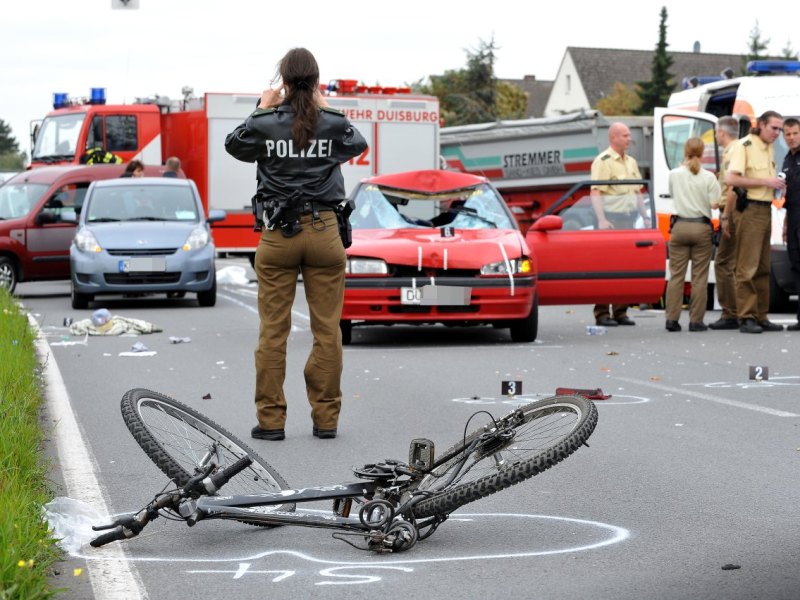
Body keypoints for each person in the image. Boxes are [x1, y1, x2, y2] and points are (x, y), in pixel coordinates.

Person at [224, 48, 367, 441]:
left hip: (277, 235)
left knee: (273, 332)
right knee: (327, 331)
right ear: (317, 81)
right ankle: (326, 419)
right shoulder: (333, 123)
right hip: (324, 233)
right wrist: (324, 105)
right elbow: (358, 145)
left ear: (283, 80)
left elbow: (234, 146)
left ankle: (270, 421)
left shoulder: (266, 123)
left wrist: (260, 107)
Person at [727, 110, 786, 333]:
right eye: (774, 128)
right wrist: (766, 182)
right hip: (750, 209)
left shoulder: (769, 147)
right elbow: (732, 178)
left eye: (780, 129)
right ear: (761, 125)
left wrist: (776, 185)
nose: (777, 133)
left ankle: (761, 315)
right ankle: (747, 316)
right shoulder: (745, 146)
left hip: (765, 209)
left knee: (763, 267)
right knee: (747, 266)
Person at [590, 122, 651, 327]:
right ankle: (602, 312)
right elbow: (596, 191)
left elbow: (637, 191)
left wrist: (645, 216)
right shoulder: (604, 161)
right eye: (625, 135)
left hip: (628, 218)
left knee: (625, 266)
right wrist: (601, 220)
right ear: (613, 137)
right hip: (611, 219)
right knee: (605, 267)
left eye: (628, 135)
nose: (629, 139)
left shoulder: (631, 162)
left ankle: (620, 311)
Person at [664, 138, 721, 332]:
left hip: (679, 227)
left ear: (684, 152)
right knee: (699, 277)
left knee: (676, 276)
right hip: (701, 228)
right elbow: (714, 204)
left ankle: (671, 319)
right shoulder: (708, 177)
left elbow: (672, 195)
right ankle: (696, 321)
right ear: (702, 153)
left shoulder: (674, 174)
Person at [708, 117, 740, 330]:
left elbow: (731, 188)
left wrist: (726, 215)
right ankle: (739, 310)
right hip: (734, 210)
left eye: (716, 132)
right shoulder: (739, 149)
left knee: (723, 262)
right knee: (735, 263)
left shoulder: (731, 153)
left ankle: (730, 312)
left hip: (731, 211)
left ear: (721, 132)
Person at [782, 118, 800, 331]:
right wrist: (786, 223)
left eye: (795, 133)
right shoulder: (787, 158)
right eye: (787, 134)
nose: (792, 137)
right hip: (794, 218)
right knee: (796, 266)